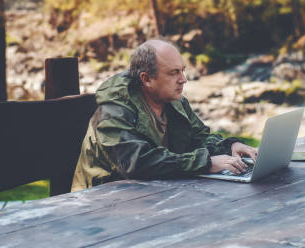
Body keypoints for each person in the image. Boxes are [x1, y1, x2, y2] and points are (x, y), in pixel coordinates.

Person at [71, 38, 258, 192]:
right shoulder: (115, 109)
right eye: (173, 72)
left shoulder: (173, 101)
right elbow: (136, 162)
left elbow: (199, 137)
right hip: (102, 200)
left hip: (152, 193)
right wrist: (206, 163)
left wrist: (230, 146)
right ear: (146, 79)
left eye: (183, 70)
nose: (183, 79)